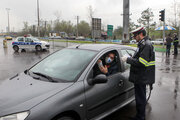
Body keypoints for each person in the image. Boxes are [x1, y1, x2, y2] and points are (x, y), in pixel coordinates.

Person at [121, 27, 155, 120]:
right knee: (140, 97)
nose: (134, 37)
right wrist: (132, 57)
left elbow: (142, 63)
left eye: (135, 35)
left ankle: (140, 117)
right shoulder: (142, 44)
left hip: (141, 76)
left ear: (140, 34)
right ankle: (139, 116)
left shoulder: (146, 45)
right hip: (140, 76)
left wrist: (128, 59)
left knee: (140, 98)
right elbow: (140, 58)